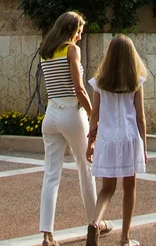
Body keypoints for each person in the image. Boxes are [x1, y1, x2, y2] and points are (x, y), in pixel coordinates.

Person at [36, 12, 105, 246]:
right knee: (86, 169)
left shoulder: (46, 50)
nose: (80, 35)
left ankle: (47, 234)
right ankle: (95, 222)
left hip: (51, 114)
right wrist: (95, 112)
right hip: (71, 113)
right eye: (79, 30)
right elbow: (79, 88)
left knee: (51, 174)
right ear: (72, 29)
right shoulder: (71, 50)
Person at [86, 34, 148, 246]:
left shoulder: (99, 82)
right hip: (129, 138)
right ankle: (125, 238)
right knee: (129, 188)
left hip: (107, 138)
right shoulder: (136, 81)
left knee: (107, 188)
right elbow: (140, 117)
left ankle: (95, 223)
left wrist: (90, 141)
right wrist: (145, 147)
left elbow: (94, 114)